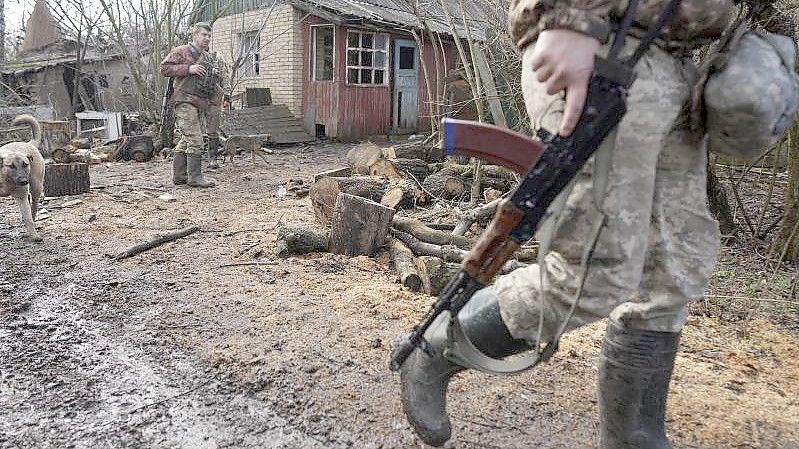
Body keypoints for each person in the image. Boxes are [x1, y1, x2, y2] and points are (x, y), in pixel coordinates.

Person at [398, 0, 738, 447]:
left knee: (669, 275)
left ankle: (634, 437)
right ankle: (435, 346)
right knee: (591, 273)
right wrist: (567, 16)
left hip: (681, 73)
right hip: (605, 49)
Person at [160, 22, 220, 187]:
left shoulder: (207, 57)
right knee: (195, 139)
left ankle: (179, 176)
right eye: (203, 35)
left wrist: (215, 75)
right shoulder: (181, 51)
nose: (207, 38)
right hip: (184, 100)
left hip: (200, 102)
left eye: (209, 35)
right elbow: (164, 69)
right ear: (194, 35)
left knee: (187, 139)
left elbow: (209, 82)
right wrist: (188, 69)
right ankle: (195, 177)